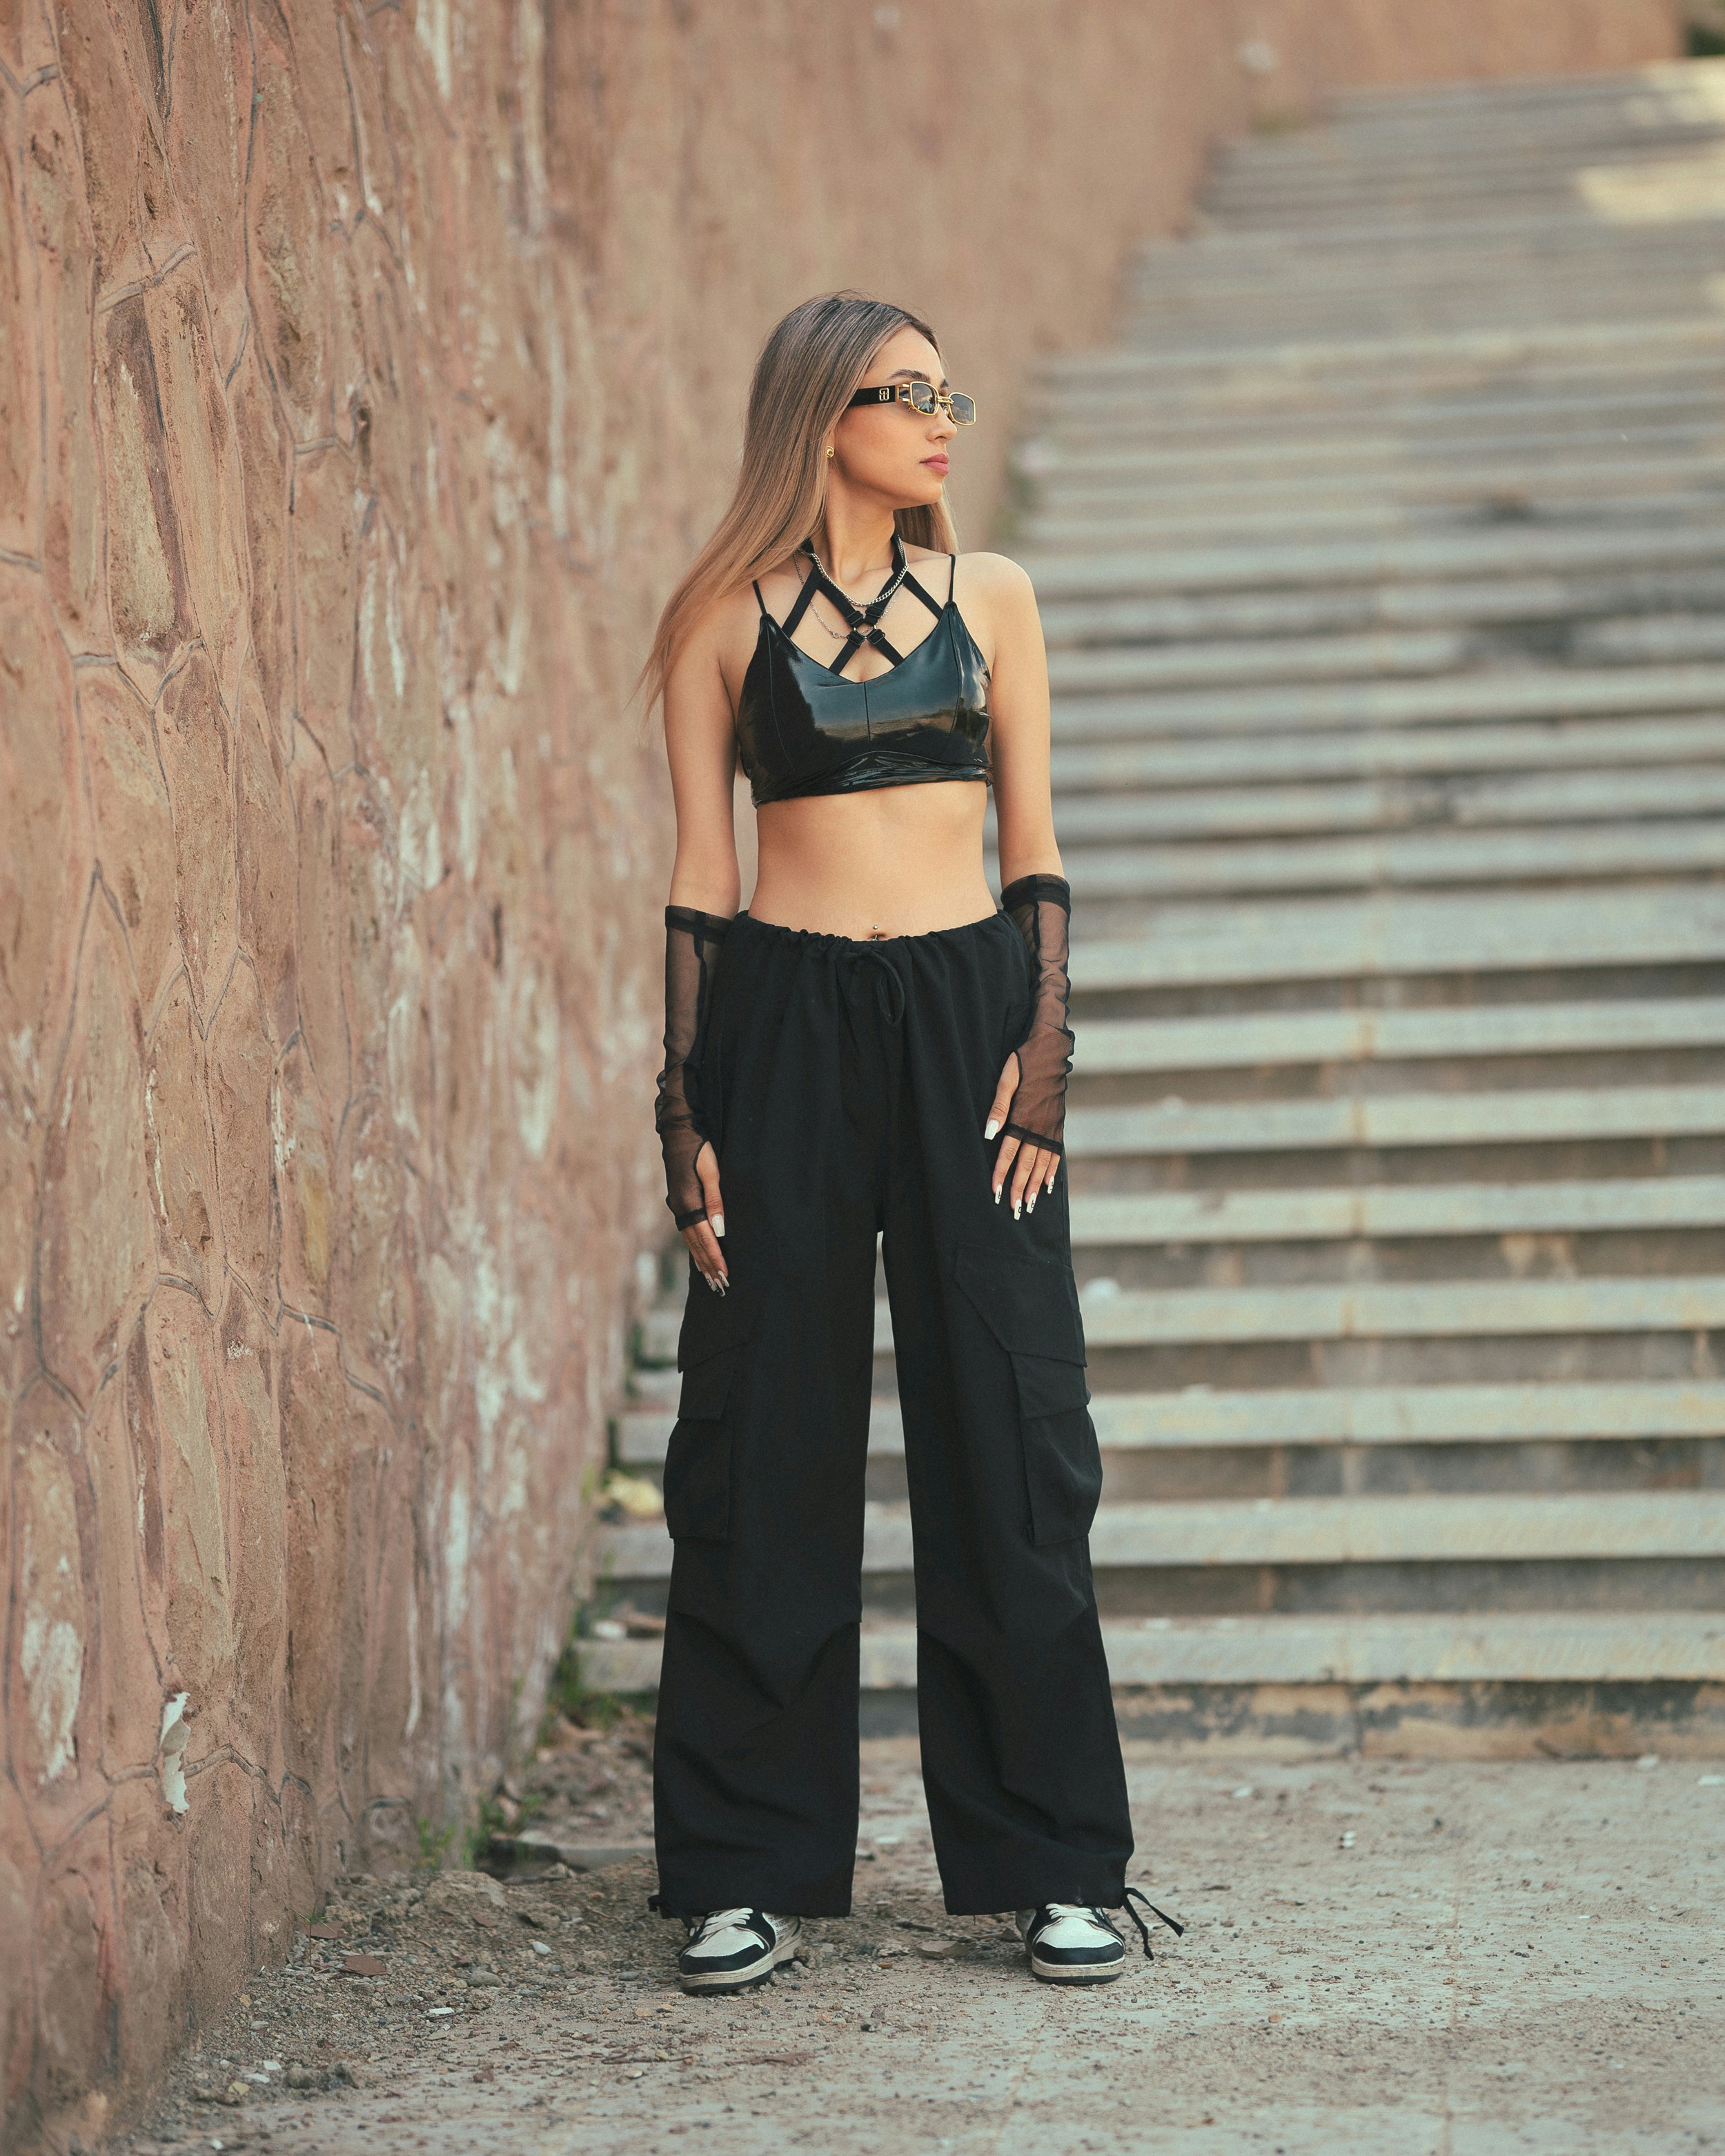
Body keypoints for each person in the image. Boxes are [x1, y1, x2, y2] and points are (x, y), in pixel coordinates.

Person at [639, 292, 1179, 1994]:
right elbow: (700, 877)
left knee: (1013, 1434)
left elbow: (1033, 837)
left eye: (949, 394)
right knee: (756, 1443)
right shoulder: (715, 621)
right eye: (905, 394)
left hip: (965, 1022)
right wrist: (682, 1102)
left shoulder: (994, 596)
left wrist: (1045, 1042)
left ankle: (1055, 1861)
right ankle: (741, 1867)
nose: (942, 421)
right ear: (822, 416)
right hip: (782, 1029)